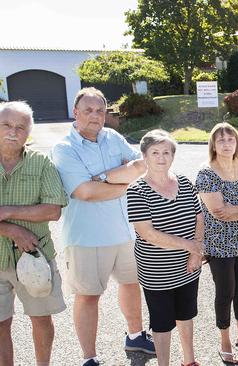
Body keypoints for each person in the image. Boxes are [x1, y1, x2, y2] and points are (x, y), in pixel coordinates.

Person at [50, 88, 154, 366]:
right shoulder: (64, 148)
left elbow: (142, 165)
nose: (95, 116)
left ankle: (135, 336)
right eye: (88, 110)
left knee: (131, 285)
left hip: (124, 232)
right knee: (88, 297)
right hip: (87, 237)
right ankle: (89, 357)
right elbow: (85, 192)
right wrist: (124, 180)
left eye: (100, 110)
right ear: (75, 112)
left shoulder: (113, 138)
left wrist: (105, 178)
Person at [127, 130, 204, 366]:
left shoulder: (185, 182)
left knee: (186, 314)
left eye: (166, 152)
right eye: (155, 153)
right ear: (145, 156)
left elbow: (199, 218)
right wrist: (190, 246)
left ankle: (189, 360)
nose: (161, 158)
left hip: (188, 267)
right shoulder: (136, 190)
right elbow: (147, 233)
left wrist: (194, 253)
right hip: (157, 271)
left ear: (173, 155)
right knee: (161, 323)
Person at [0, 101, 68, 366]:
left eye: (20, 127)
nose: (13, 132)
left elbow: (52, 210)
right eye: (6, 124)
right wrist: (11, 229)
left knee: (41, 319)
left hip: (35, 257)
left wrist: (5, 210)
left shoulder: (42, 163)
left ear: (29, 133)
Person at [196, 122, 238, 365]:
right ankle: (224, 341)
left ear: (237, 142)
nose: (226, 144)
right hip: (219, 245)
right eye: (221, 140)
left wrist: (234, 210)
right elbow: (217, 212)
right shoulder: (206, 173)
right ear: (213, 144)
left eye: (231, 139)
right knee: (225, 292)